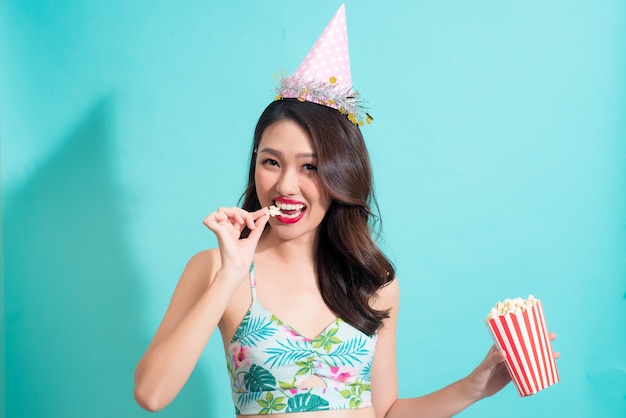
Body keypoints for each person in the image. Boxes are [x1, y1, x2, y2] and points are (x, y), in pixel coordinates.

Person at [134, 5, 558, 417]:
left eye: (310, 167)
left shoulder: (373, 281)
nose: (285, 185)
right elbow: (152, 394)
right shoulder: (215, 269)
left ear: (340, 176)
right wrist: (231, 273)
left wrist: (475, 385)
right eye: (271, 161)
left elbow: (385, 412)